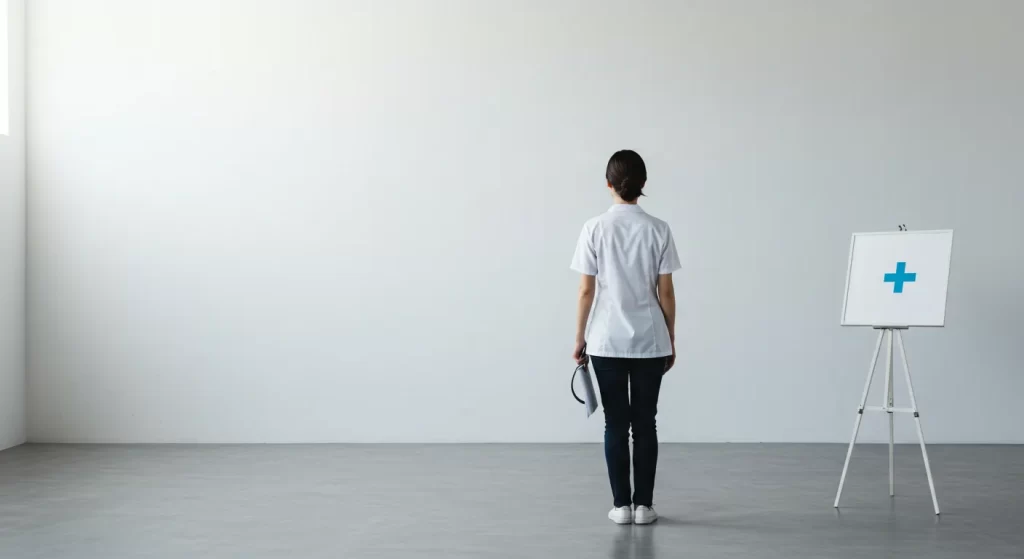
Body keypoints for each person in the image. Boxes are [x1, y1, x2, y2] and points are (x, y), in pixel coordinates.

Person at [570, 150, 681, 525]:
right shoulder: (659, 229)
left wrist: (579, 337)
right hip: (650, 340)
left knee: (615, 423)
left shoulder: (594, 228)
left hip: (605, 340)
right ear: (643, 185)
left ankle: (620, 506)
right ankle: (644, 507)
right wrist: (671, 337)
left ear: (608, 184)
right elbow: (665, 292)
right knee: (645, 422)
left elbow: (586, 292)